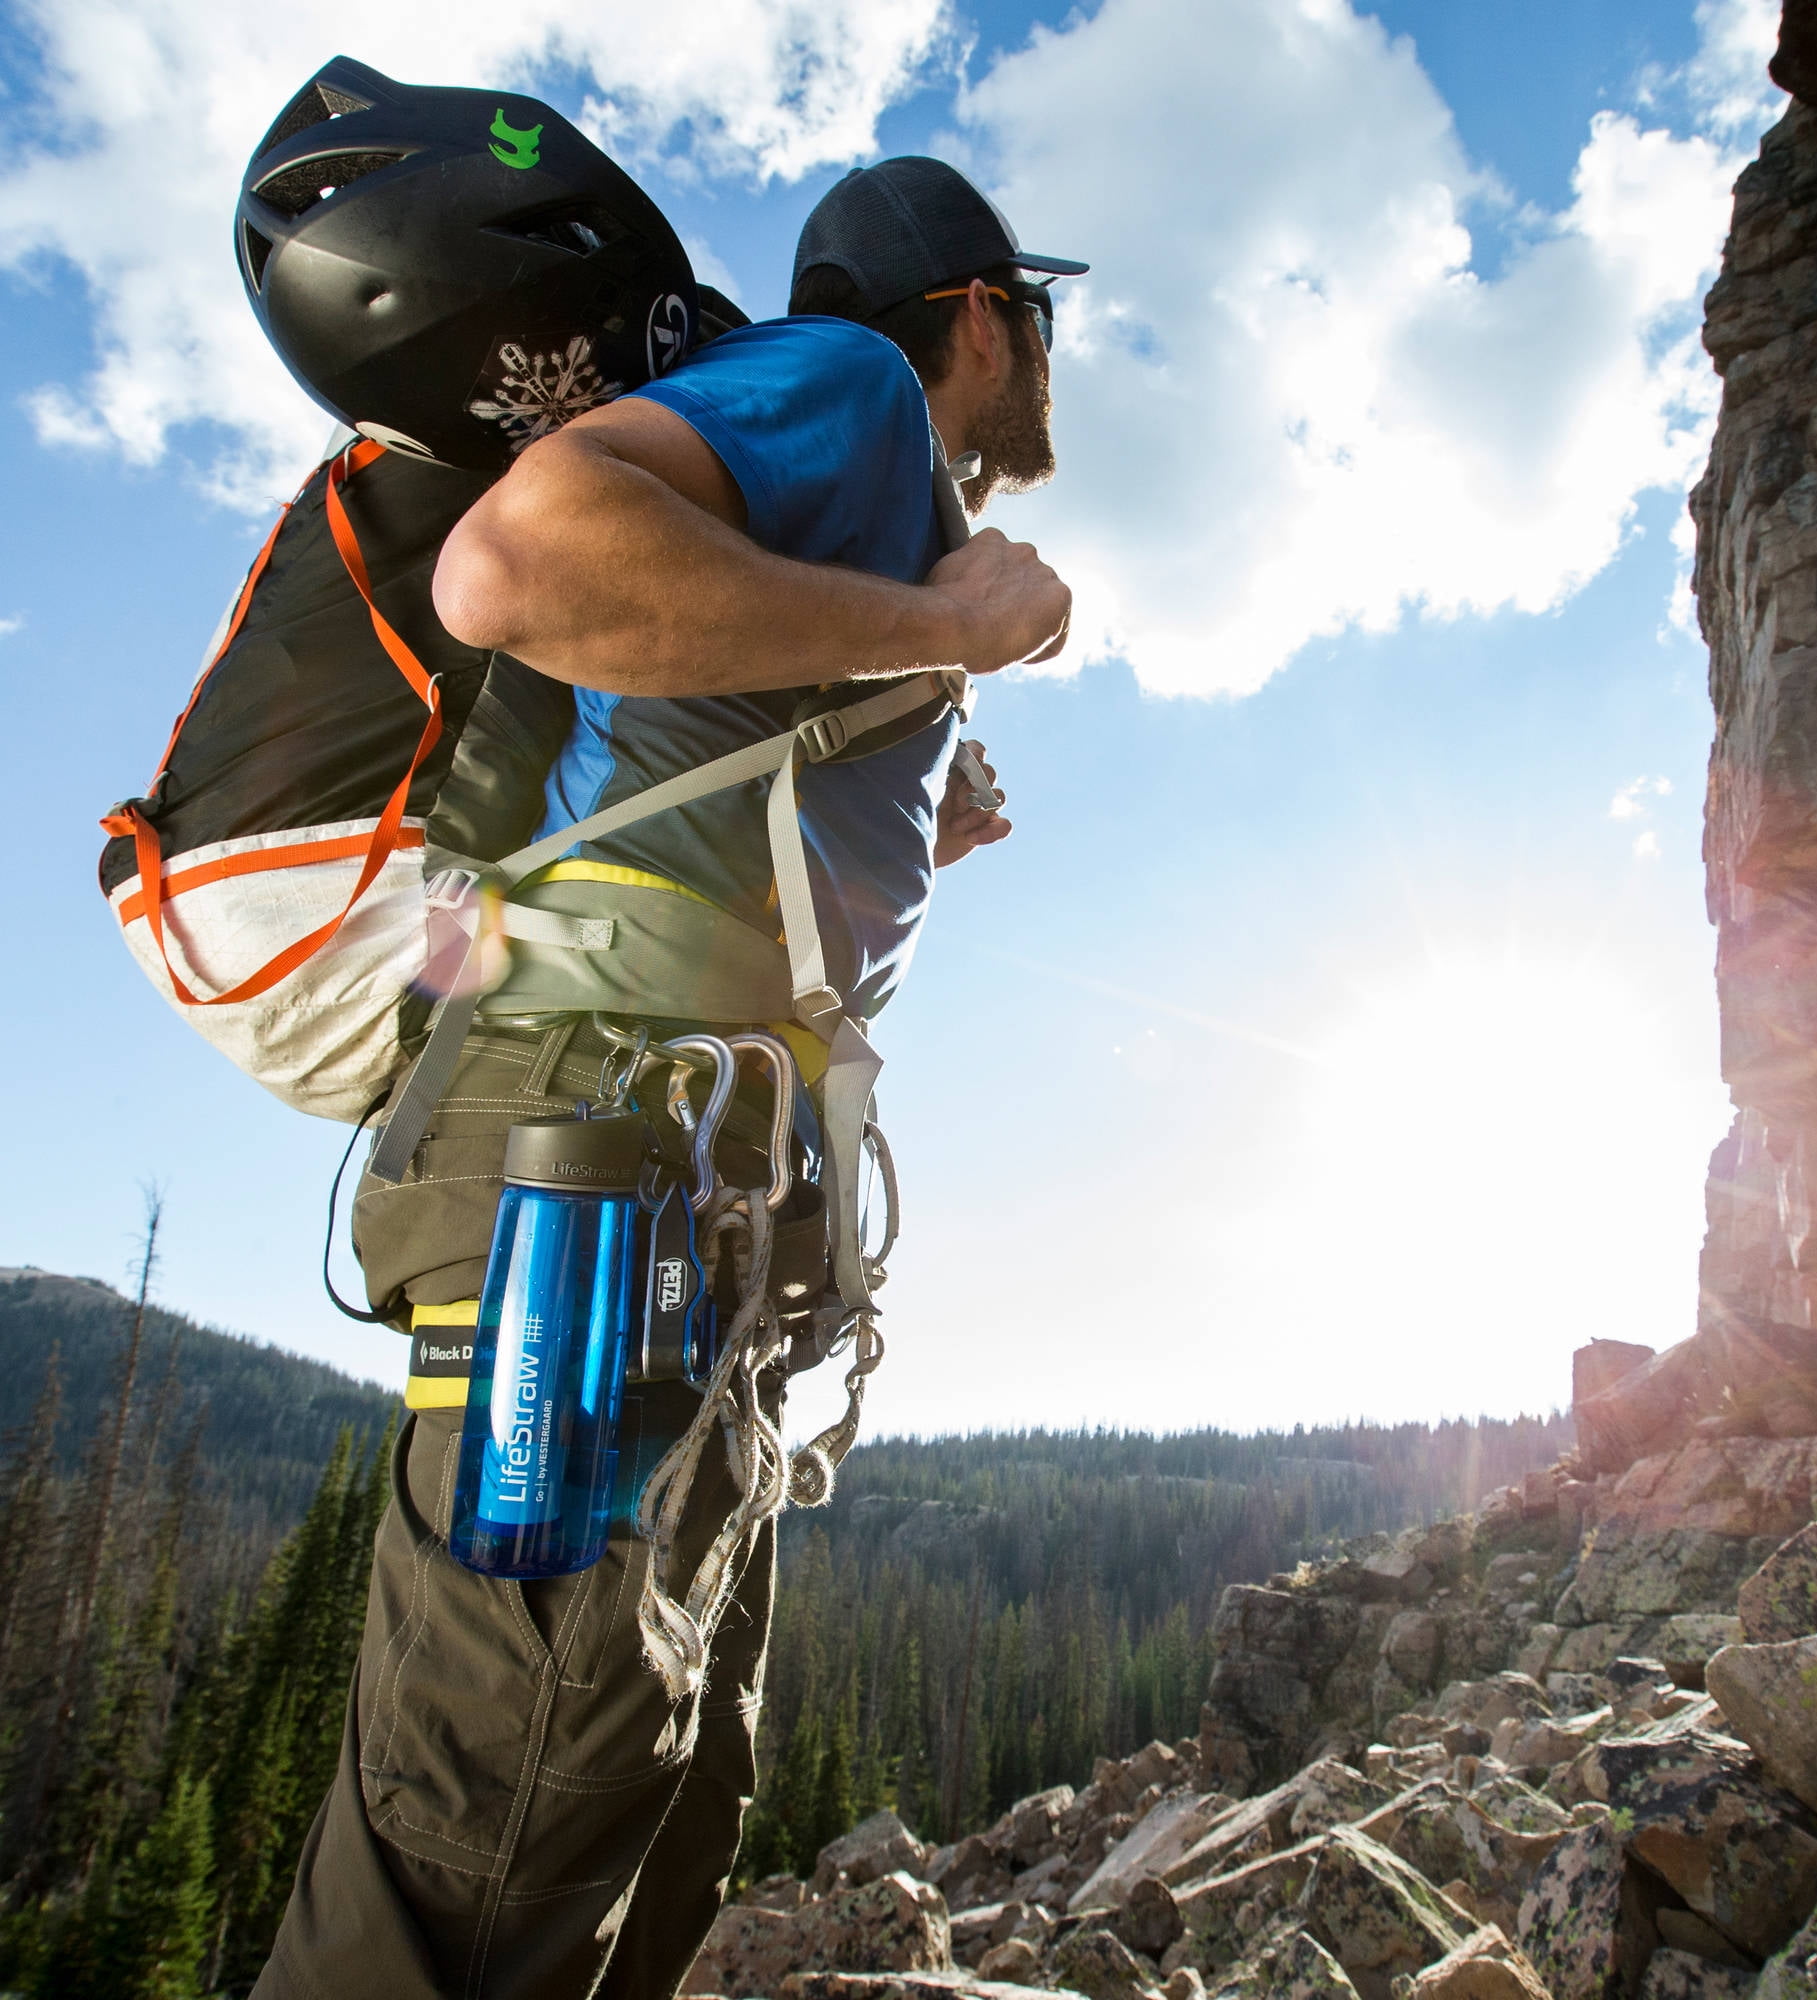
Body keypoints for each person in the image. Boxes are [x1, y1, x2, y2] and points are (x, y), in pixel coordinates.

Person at [253, 157, 1085, 2000]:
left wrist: (905, 773)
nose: (1044, 354)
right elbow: (516, 564)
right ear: (977, 310)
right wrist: (953, 632)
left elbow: (680, 769)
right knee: (490, 1859)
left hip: (687, 1192)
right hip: (609, 1153)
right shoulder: (848, 383)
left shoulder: (858, 500)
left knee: (638, 1830)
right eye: (1038, 314)